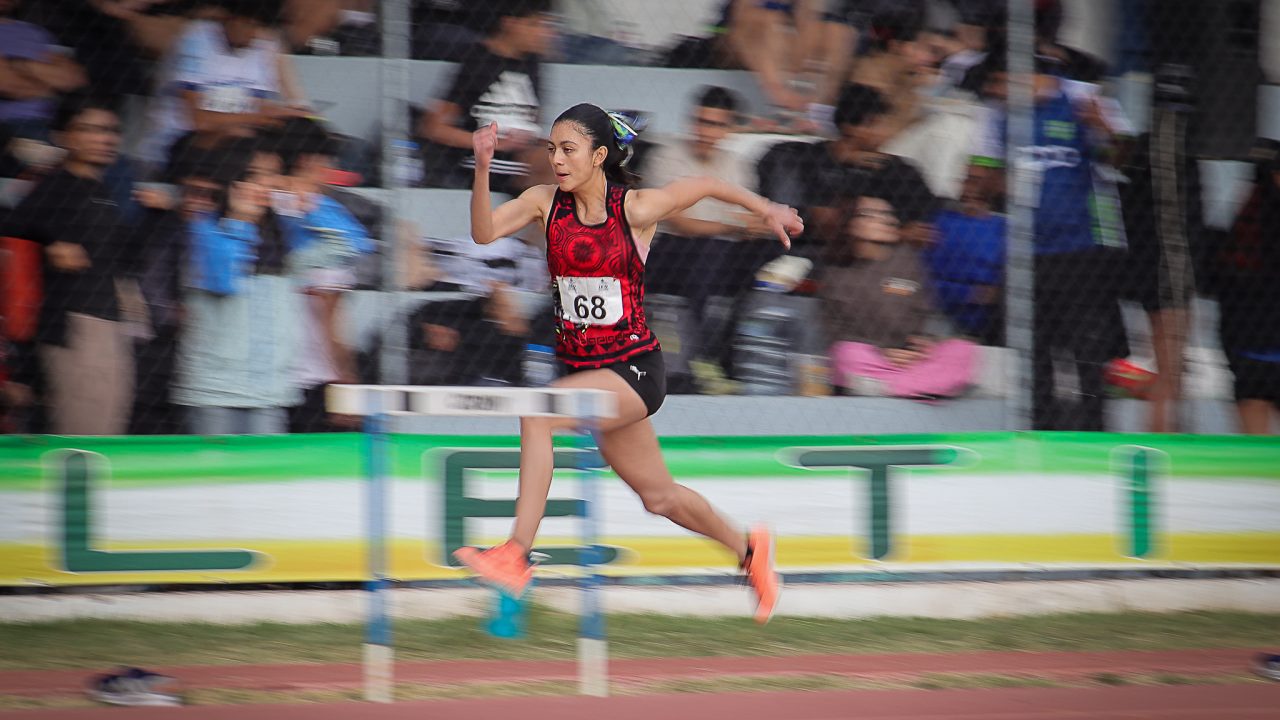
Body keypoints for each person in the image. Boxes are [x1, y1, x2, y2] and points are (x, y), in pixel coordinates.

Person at [453, 104, 802, 623]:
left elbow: (705, 183)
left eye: (568, 149)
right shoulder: (542, 203)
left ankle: (515, 554)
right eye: (551, 149)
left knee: (539, 413)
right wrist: (482, 167)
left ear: (598, 156)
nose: (557, 160)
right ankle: (751, 550)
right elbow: (484, 233)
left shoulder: (635, 208)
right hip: (588, 374)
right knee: (659, 497)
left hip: (634, 370)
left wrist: (766, 208)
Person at [4, 93, 138, 435]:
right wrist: (47, 244)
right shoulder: (56, 186)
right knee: (86, 436)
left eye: (110, 130)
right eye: (89, 129)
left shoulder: (104, 188)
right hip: (74, 323)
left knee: (106, 432)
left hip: (106, 321)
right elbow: (11, 230)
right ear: (63, 136)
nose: (104, 138)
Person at [821, 190, 977, 399]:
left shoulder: (908, 260)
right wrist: (883, 352)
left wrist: (923, 343)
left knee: (962, 349)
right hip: (872, 359)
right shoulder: (837, 274)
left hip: (910, 360)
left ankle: (893, 388)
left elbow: (927, 314)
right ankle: (924, 389)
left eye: (889, 214)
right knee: (847, 354)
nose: (888, 220)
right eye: (874, 214)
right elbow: (836, 333)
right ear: (852, 224)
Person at [417, 0, 554, 193]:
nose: (544, 33)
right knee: (556, 169)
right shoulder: (478, 60)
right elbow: (433, 127)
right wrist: (494, 142)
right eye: (534, 24)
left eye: (546, 26)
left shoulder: (532, 63)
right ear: (510, 23)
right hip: (487, 158)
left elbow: (532, 121)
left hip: (522, 155)